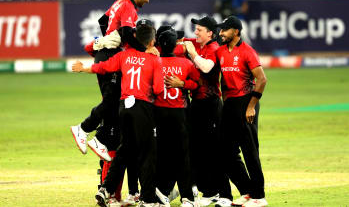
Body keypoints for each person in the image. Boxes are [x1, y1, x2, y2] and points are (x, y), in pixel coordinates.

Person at [72, 22, 164, 207]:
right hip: (142, 108)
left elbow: (103, 67)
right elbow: (159, 89)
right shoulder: (154, 60)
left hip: (124, 108)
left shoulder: (124, 55)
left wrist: (83, 68)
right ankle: (147, 199)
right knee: (147, 154)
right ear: (152, 41)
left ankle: (105, 189)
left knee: (124, 151)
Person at [71, 0, 158, 162]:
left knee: (114, 100)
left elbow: (103, 20)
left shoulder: (119, 2)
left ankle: (100, 140)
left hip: (106, 52)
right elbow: (127, 32)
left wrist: (108, 37)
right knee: (112, 100)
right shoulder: (129, 7)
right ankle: (84, 129)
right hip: (109, 55)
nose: (148, 0)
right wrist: (143, 50)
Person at [175, 16, 233, 207]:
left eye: (199, 29)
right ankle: (208, 191)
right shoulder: (195, 44)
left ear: (210, 33)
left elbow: (207, 68)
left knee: (215, 150)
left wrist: (192, 53)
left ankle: (225, 194)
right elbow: (176, 46)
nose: (195, 32)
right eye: (196, 29)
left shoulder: (214, 48)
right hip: (196, 104)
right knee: (197, 150)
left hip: (212, 104)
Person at [215, 16, 268, 207]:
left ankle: (259, 197)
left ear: (236, 32)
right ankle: (247, 191)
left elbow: (262, 80)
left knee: (250, 151)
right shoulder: (220, 51)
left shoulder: (247, 52)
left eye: (224, 30)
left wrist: (252, 106)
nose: (220, 33)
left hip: (247, 103)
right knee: (225, 151)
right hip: (229, 105)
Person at [153, 29, 201, 207]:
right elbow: (198, 84)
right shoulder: (185, 64)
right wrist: (183, 84)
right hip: (179, 113)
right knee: (182, 156)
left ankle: (159, 195)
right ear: (176, 45)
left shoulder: (153, 62)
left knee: (160, 156)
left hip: (158, 114)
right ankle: (187, 198)